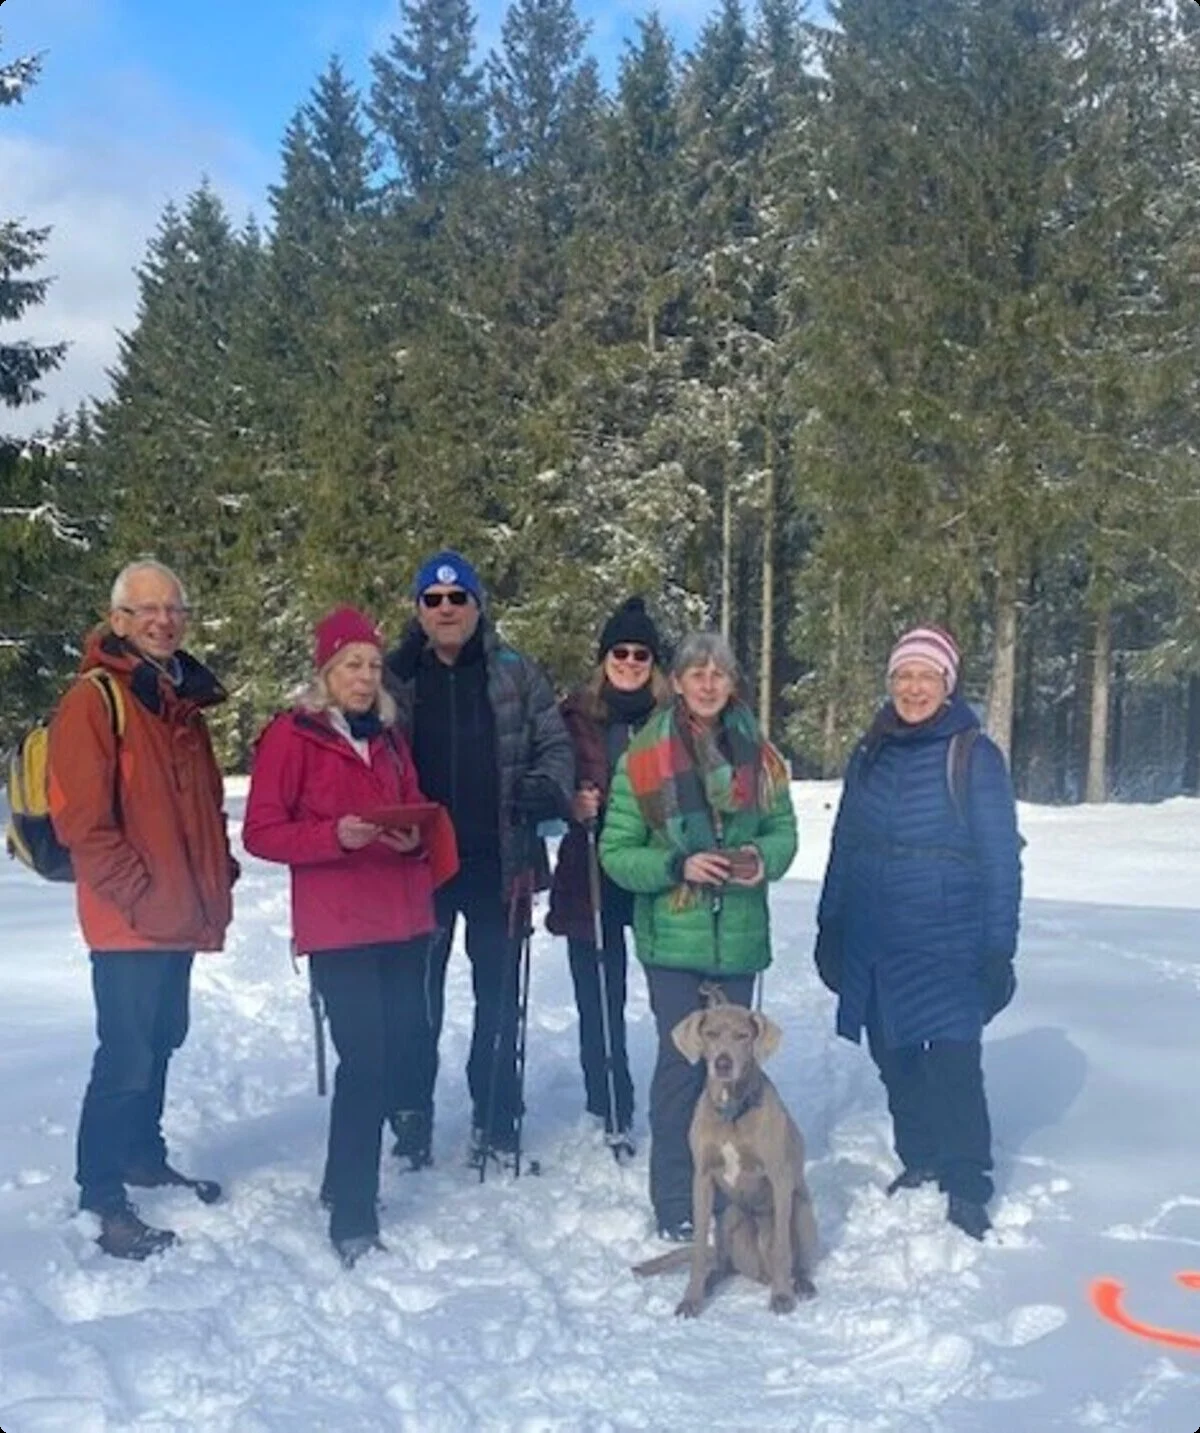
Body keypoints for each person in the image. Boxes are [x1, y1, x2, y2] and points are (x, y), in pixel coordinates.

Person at [243, 607, 450, 1268]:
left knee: (392, 1055)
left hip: (401, 917)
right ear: (326, 671)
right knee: (365, 1061)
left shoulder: (389, 738)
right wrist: (334, 835)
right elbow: (261, 832)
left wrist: (413, 833)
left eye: (370, 664)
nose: (364, 676)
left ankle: (340, 1177)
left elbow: (414, 799)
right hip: (338, 926)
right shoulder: (292, 736)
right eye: (350, 664)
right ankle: (355, 1213)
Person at [47, 559, 237, 1261]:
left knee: (163, 1037)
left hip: (175, 912)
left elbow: (201, 807)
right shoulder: (97, 700)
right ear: (119, 619)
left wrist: (216, 871)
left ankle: (142, 1154)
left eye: (173, 609)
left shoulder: (176, 699)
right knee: (125, 1054)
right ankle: (101, 1196)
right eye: (146, 609)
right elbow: (83, 824)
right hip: (130, 919)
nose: (163, 620)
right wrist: (140, 894)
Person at [813, 625, 1022, 1240]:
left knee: (953, 1060)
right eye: (903, 676)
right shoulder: (870, 749)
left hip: (950, 936)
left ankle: (967, 1181)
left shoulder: (973, 753)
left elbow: (1001, 858)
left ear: (947, 685)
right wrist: (831, 923)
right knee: (893, 1052)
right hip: (876, 933)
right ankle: (921, 1154)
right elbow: (845, 842)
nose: (912, 688)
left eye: (926, 677)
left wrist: (997, 949)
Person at [600, 631, 797, 1240]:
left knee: (737, 1067)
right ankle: (678, 1203)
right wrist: (674, 866)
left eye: (719, 673)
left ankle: (739, 1189)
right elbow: (616, 852)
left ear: (732, 683)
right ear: (677, 683)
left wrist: (762, 857)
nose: (708, 683)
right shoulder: (641, 758)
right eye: (696, 673)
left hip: (737, 939)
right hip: (674, 942)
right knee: (684, 1067)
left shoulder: (762, 756)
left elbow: (784, 832)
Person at [385, 550, 574, 1168]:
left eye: (457, 598)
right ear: (418, 609)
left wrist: (547, 785)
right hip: (419, 866)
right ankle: (410, 1110)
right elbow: (352, 741)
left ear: (476, 605)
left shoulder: (515, 671)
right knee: (417, 999)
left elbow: (554, 740)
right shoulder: (395, 676)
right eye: (433, 601)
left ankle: (496, 1111)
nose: (446, 610)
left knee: (498, 997)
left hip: (501, 860)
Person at [547, 597, 669, 1162]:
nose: (629, 661)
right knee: (599, 992)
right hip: (590, 866)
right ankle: (610, 1099)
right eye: (619, 651)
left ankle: (684, 1094)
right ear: (603, 659)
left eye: (641, 653)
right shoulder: (574, 715)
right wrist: (571, 802)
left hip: (656, 869)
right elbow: (547, 781)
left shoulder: (674, 718)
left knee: (674, 991)